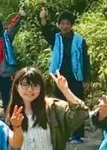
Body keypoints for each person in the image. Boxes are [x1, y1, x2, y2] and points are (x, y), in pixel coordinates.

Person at [39, 7, 91, 140]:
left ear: (71, 25)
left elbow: (85, 59)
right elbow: (45, 31)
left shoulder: (79, 40)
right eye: (62, 23)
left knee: (77, 103)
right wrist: (43, 18)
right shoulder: (55, 38)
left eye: (68, 23)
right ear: (59, 25)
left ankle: (78, 135)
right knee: (60, 105)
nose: (65, 26)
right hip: (59, 77)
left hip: (75, 76)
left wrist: (86, 78)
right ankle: (63, 133)